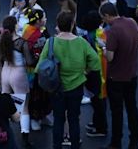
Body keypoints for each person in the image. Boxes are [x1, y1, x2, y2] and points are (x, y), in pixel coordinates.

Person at [36, 11, 100, 149]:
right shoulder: (82, 42)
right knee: (74, 120)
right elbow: (95, 62)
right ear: (72, 25)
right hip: (76, 87)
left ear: (58, 25)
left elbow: (39, 67)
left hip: (56, 89)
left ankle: (56, 146)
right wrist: (85, 71)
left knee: (58, 120)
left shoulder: (51, 42)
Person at [99, 2, 138, 149]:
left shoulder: (113, 32)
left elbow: (109, 57)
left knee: (117, 112)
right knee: (132, 108)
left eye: (103, 18)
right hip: (132, 74)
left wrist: (103, 48)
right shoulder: (132, 22)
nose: (104, 22)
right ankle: (134, 140)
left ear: (107, 15)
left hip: (116, 77)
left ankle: (116, 142)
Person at [0, 16, 34, 147]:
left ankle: (2, 132)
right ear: (16, 26)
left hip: (5, 73)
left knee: (5, 104)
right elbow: (29, 62)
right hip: (18, 73)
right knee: (24, 107)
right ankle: (25, 138)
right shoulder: (21, 42)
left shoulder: (1, 41)